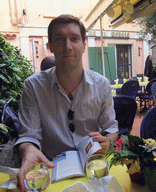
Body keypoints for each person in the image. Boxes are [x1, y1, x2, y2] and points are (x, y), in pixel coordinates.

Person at [15, 14, 118, 191]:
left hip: (92, 171)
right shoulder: (32, 87)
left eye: (74, 39)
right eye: (60, 39)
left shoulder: (102, 84)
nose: (68, 46)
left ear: (84, 45)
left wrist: (107, 141)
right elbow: (29, 136)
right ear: (50, 47)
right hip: (50, 172)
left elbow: (111, 128)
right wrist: (28, 151)